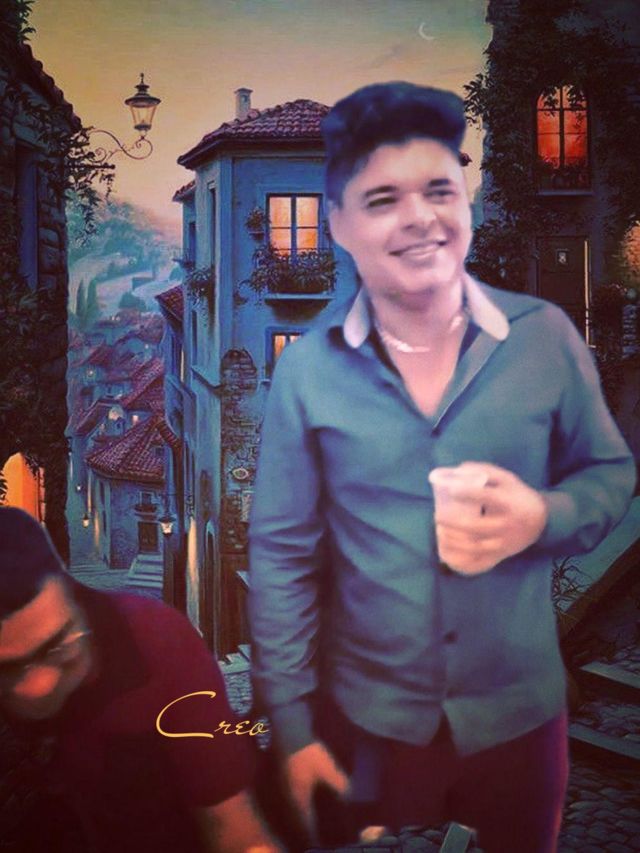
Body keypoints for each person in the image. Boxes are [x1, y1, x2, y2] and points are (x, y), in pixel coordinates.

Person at [247, 81, 636, 852]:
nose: (420, 217)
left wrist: (542, 516)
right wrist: (291, 727)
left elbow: (610, 475)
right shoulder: (306, 373)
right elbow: (281, 556)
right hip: (364, 724)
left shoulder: (544, 338)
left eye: (438, 189)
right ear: (339, 223)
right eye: (383, 198)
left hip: (520, 722)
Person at [0, 507, 278, 853]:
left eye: (57, 647)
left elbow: (231, 824)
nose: (38, 687)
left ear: (71, 596)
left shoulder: (155, 641)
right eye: (8, 668)